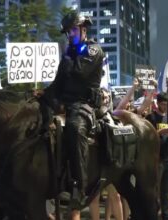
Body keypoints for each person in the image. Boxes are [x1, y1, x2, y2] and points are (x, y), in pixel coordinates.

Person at [37, 10, 104, 209]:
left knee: (75, 128)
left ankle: (79, 187)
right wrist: (43, 93)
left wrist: (69, 54)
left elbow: (78, 74)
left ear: (83, 30)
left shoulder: (92, 51)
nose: (70, 35)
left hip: (83, 105)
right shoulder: (70, 53)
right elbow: (58, 83)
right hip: (65, 104)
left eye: (73, 30)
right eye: (68, 32)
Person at [146, 92, 168, 220]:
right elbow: (147, 137)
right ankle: (154, 213)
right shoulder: (151, 117)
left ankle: (166, 214)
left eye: (167, 104)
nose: (165, 106)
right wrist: (160, 132)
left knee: (166, 190)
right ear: (158, 103)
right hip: (157, 159)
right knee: (155, 190)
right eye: (163, 104)